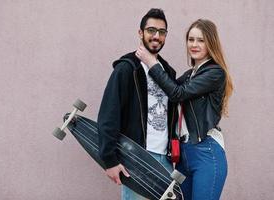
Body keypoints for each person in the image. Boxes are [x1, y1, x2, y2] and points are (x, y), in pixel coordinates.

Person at [136, 19, 233, 200]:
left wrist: (152, 63)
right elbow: (169, 90)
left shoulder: (215, 73)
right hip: (183, 156)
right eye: (191, 39)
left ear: (210, 43)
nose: (194, 45)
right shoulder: (190, 75)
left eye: (201, 40)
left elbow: (177, 93)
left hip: (206, 151)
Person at [98, 8, 177, 200]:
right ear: (140, 33)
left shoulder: (168, 74)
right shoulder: (127, 69)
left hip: (165, 162)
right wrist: (109, 160)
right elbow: (109, 114)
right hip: (137, 159)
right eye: (151, 30)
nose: (156, 36)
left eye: (162, 32)